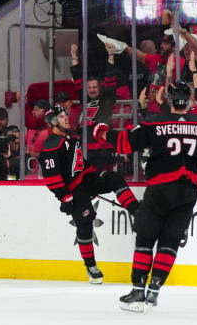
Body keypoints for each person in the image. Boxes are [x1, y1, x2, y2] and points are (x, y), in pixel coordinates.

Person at [93, 80, 197, 312]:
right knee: (169, 242)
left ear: (169, 100)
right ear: (188, 101)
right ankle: (154, 291)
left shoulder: (155, 122)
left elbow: (124, 143)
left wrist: (102, 131)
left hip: (160, 189)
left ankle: (138, 291)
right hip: (189, 192)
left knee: (146, 239)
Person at [38, 106, 140, 284]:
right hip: (73, 190)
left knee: (114, 179)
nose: (67, 118)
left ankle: (137, 212)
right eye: (62, 116)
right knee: (85, 223)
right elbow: (51, 177)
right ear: (53, 122)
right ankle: (91, 266)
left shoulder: (70, 137)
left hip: (87, 179)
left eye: (66, 115)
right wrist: (64, 196)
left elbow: (79, 159)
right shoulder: (51, 146)